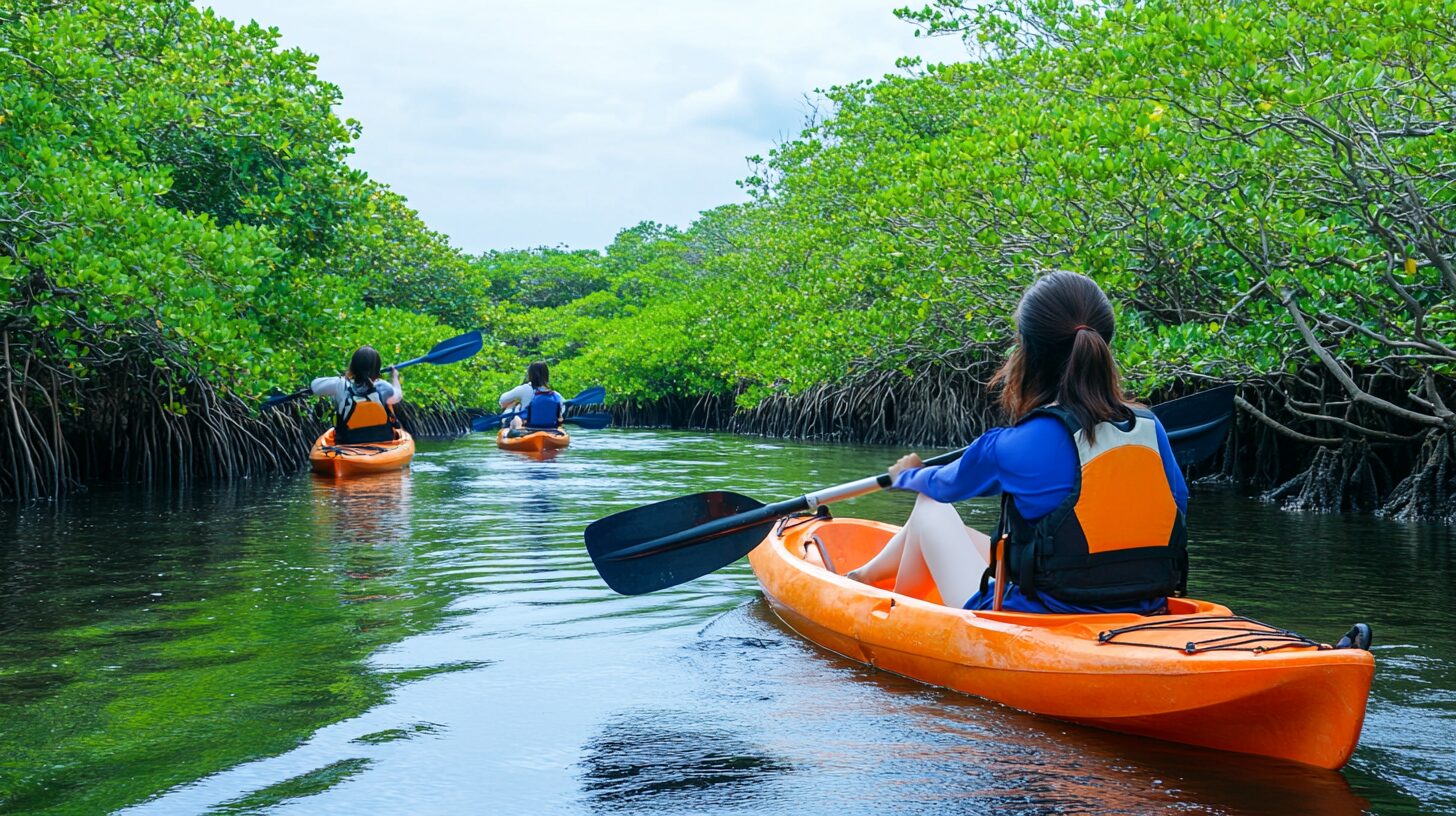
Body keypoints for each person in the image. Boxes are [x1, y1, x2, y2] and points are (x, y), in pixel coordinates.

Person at [847, 271, 1189, 614]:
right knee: (976, 536)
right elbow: (1178, 504)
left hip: (1044, 611)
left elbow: (941, 487)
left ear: (1027, 351)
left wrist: (907, 475)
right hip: (1144, 603)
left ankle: (895, 618)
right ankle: (863, 575)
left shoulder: (1012, 444)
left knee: (929, 508)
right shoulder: (1150, 428)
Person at [311, 346, 403, 445]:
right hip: (382, 443)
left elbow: (314, 386)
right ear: (377, 370)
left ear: (353, 366)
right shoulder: (383, 386)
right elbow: (398, 396)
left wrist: (343, 377)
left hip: (348, 444)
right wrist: (394, 376)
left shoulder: (341, 384)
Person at [499, 361, 564, 430]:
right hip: (551, 428)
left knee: (510, 410)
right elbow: (563, 409)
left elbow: (502, 400)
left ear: (530, 374)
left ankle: (514, 430)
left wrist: (515, 403)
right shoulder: (556, 395)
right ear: (547, 375)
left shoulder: (524, 389)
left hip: (528, 426)